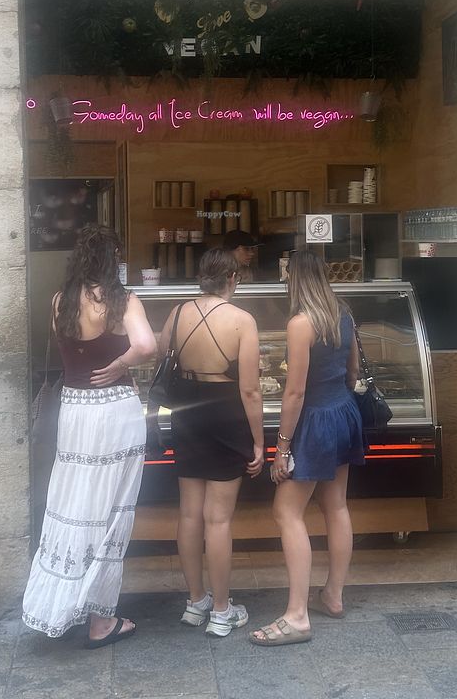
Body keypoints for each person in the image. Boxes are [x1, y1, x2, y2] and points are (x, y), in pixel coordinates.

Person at [22, 225, 156, 648]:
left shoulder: (60, 301)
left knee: (74, 503)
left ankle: (58, 604)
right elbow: (146, 345)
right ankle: (101, 620)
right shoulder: (122, 300)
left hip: (75, 411)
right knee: (112, 510)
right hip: (116, 411)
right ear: (112, 258)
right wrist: (120, 365)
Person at [250, 250, 365, 647]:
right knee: (336, 506)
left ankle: (297, 615)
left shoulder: (301, 323)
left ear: (294, 279)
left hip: (315, 420)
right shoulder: (343, 313)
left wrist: (281, 448)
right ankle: (333, 595)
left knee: (286, 511)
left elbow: (295, 392)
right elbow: (352, 371)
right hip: (344, 412)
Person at [157, 247, 264, 636]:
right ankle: (221, 611)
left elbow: (161, 354)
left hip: (187, 414)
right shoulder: (242, 320)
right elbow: (250, 390)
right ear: (233, 279)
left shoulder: (177, 312)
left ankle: (195, 602)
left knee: (189, 513)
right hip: (226, 416)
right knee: (218, 519)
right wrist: (259, 442)